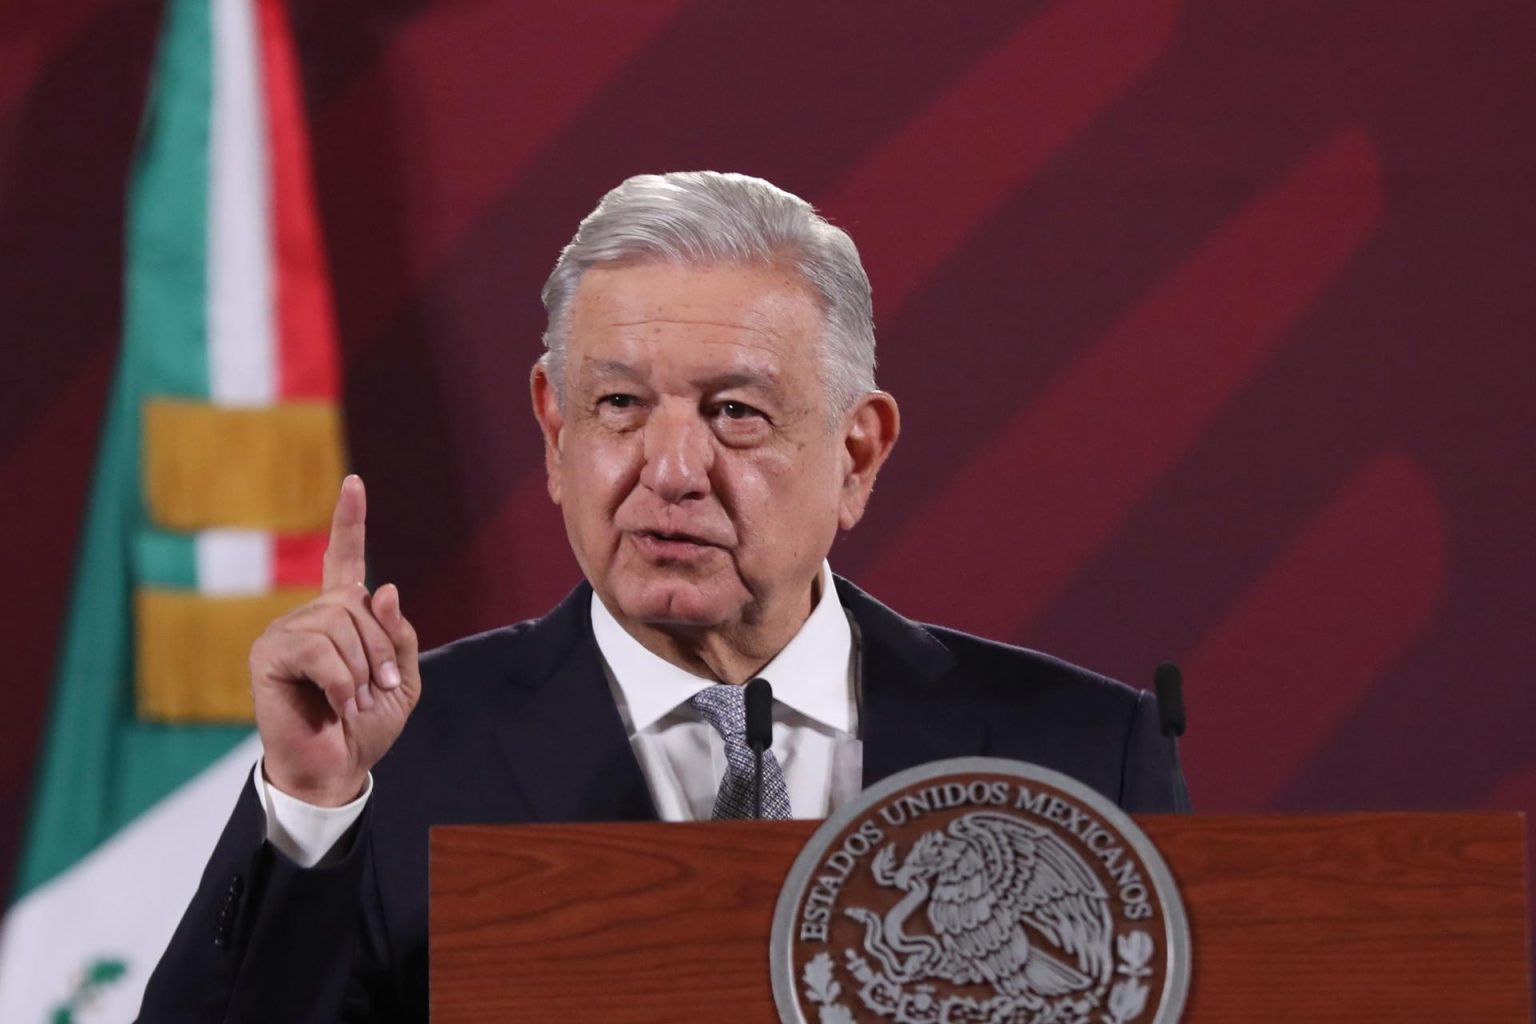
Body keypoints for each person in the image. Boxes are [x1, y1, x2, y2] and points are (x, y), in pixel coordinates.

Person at [137, 172, 1188, 1022]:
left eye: (733, 411)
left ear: (857, 454)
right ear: (556, 434)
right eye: (620, 405)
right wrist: (311, 807)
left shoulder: (1081, 758)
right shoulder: (397, 757)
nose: (671, 468)